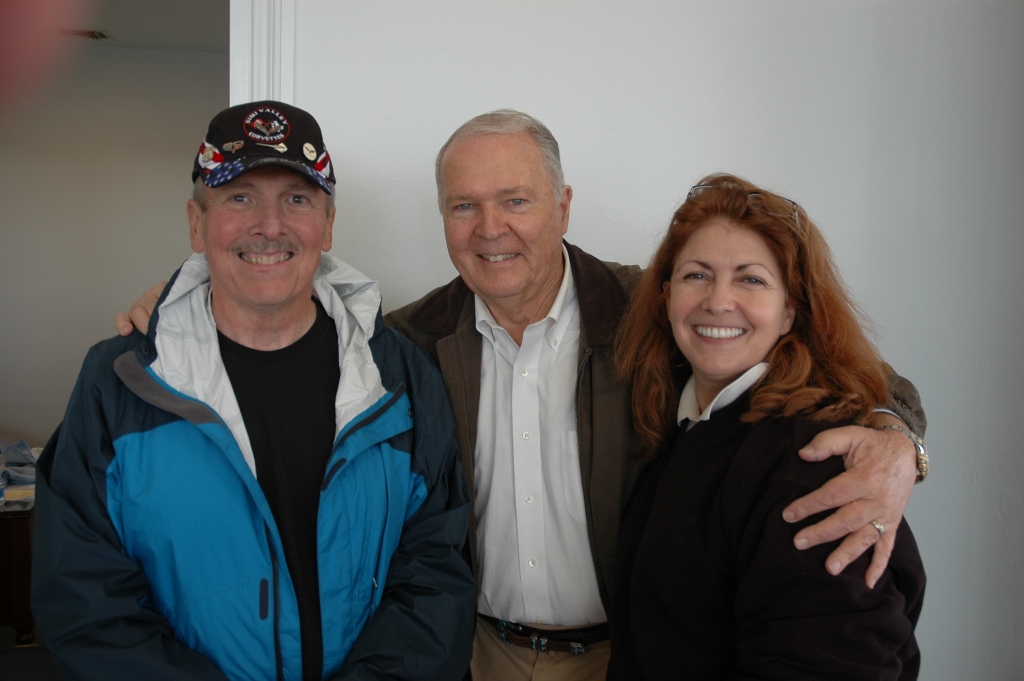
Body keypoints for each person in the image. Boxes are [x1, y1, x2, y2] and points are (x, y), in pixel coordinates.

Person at [117, 110, 927, 680]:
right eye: (463, 206)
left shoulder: (654, 309)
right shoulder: (405, 343)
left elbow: (836, 374)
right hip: (478, 655)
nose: (489, 227)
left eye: (516, 200)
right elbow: (287, 327)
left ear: (562, 206)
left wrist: (898, 440)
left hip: (629, 655)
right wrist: (189, 304)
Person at [32, 100, 476, 681]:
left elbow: (435, 571)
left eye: (297, 199)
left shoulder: (398, 375)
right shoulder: (119, 383)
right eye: (239, 197)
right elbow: (85, 599)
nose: (270, 225)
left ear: (328, 224)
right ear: (196, 223)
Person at [608, 174, 926, 679]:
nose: (718, 301)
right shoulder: (693, 426)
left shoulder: (810, 463)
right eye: (697, 275)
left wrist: (900, 439)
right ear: (665, 296)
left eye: (751, 280)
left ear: (789, 312)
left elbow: (836, 661)